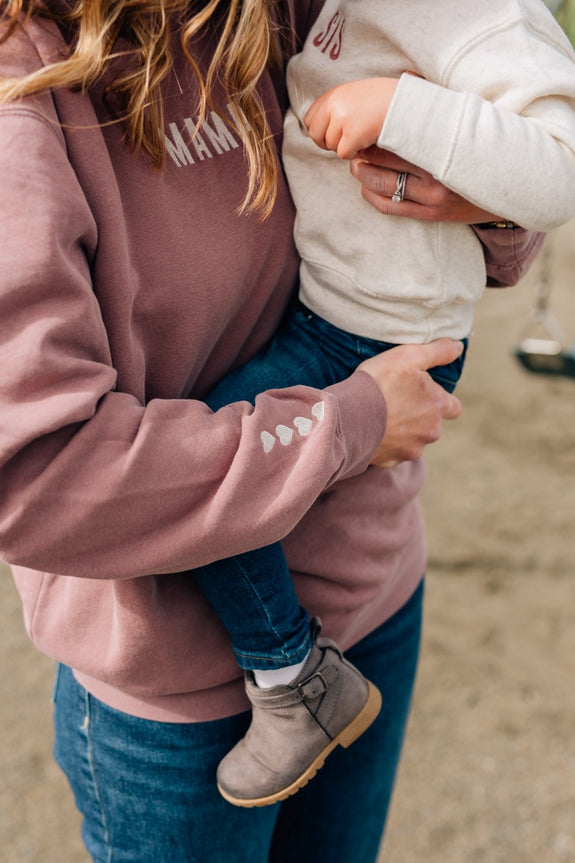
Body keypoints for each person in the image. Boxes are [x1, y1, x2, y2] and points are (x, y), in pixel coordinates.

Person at [0, 0, 554, 860]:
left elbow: (499, 165)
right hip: (185, 692)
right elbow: (35, 472)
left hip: (374, 591)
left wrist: (472, 197)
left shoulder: (269, 10)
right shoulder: (24, 95)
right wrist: (349, 425)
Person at [177, 0, 575, 809]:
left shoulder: (480, 14)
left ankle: (293, 680)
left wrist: (400, 108)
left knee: (209, 477)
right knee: (220, 472)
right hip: (331, 309)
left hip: (375, 341)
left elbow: (559, 166)